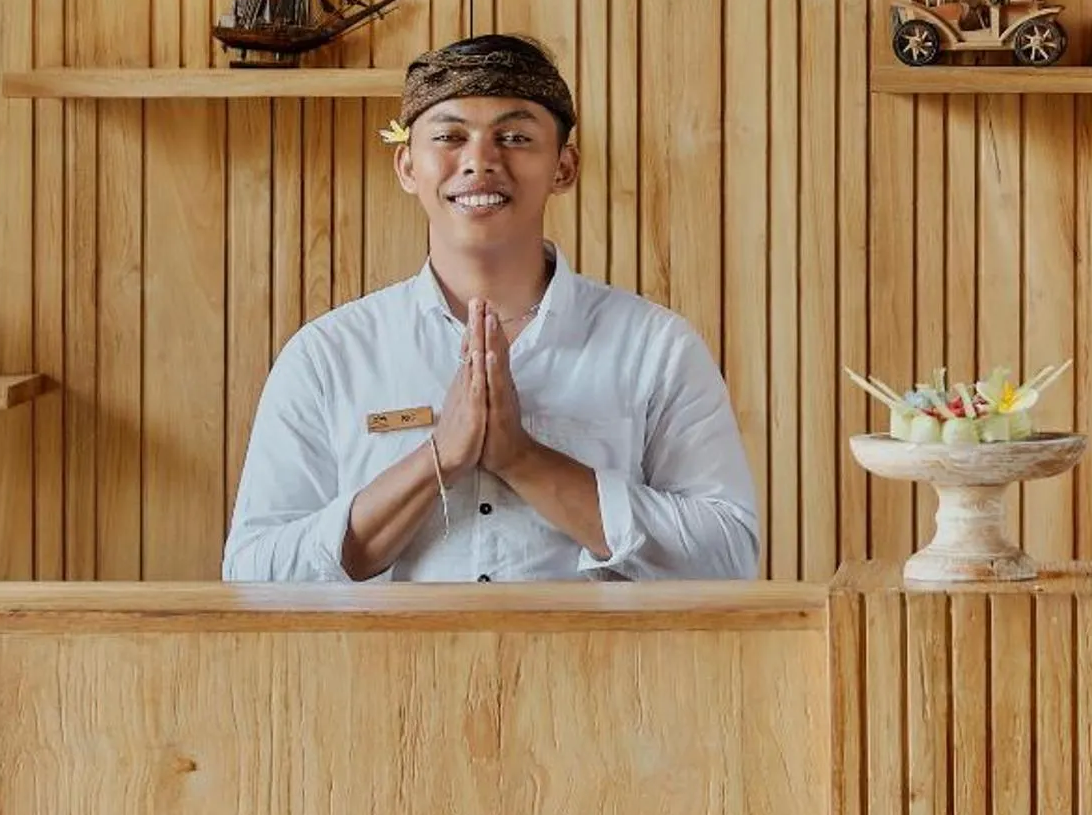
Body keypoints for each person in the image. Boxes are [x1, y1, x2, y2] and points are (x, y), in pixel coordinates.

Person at [225, 33, 758, 583]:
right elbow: (251, 574)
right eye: (450, 136)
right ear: (408, 166)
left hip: (600, 671)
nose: (480, 161)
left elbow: (728, 557)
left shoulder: (657, 348)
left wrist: (523, 459)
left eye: (516, 136)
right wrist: (439, 459)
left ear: (564, 167)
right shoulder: (327, 356)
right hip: (386, 672)